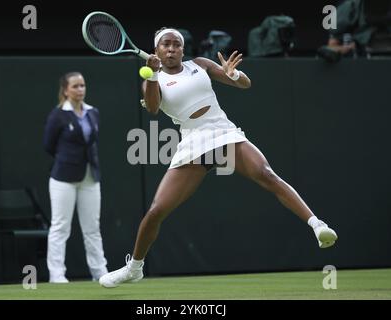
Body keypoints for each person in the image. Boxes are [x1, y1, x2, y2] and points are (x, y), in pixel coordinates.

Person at [99, 28, 338, 288]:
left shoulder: (199, 65)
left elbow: (244, 83)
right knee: (157, 211)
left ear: (182, 49)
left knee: (267, 174)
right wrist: (154, 74)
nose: (171, 49)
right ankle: (134, 268)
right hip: (193, 143)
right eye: (165, 45)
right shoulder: (150, 81)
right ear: (156, 50)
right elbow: (154, 109)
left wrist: (234, 74)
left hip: (223, 132)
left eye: (176, 45)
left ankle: (317, 225)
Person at [43, 72, 108, 283]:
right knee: (60, 227)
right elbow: (49, 146)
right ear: (65, 90)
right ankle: (57, 274)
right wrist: (68, 160)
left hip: (90, 176)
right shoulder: (58, 115)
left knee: (92, 228)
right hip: (63, 178)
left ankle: (100, 272)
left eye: (82, 85)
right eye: (75, 86)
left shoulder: (93, 112)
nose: (80, 89)